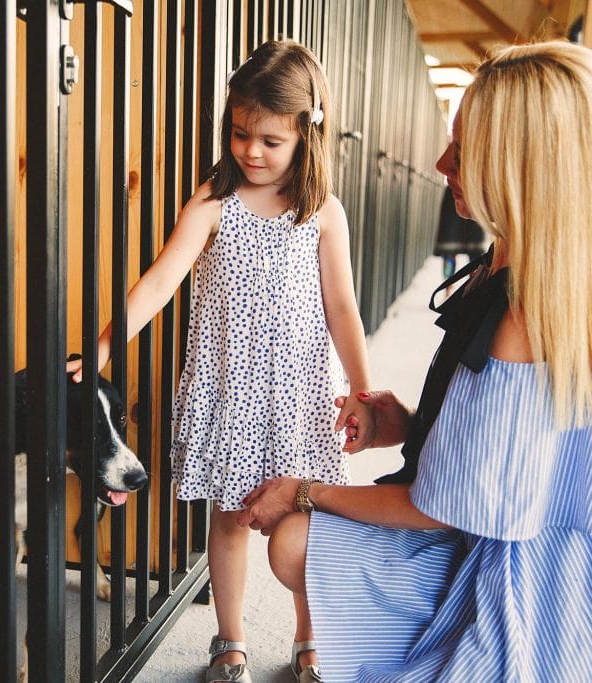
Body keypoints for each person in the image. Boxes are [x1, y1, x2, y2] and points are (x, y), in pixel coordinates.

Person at [238, 41, 592, 681]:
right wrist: (412, 425)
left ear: (528, 168)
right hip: (570, 535)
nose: (443, 163)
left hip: (529, 575)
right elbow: (522, 454)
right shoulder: (554, 271)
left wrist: (305, 490)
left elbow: (448, 506)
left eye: (466, 152)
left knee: (295, 536)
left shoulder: (525, 318)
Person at [67, 40, 375, 683]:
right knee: (231, 521)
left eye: (269, 140)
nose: (251, 151)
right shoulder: (213, 200)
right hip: (231, 394)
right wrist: (102, 343)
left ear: (306, 136)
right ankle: (230, 639)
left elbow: (343, 309)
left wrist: (363, 392)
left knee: (306, 522)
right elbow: (158, 282)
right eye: (240, 134)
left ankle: (308, 638)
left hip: (301, 397)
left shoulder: (323, 213)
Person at [433, 185, 486, 279]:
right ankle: (472, 283)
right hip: (472, 193)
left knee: (451, 248)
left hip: (461, 193)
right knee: (474, 253)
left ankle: (450, 285)